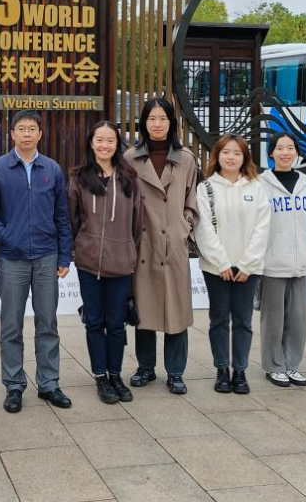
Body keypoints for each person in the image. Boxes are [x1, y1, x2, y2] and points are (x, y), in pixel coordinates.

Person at [0, 109, 73, 413]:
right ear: (12, 133)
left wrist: (64, 255)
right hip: (12, 258)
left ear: (40, 134)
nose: (26, 133)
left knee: (48, 323)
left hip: (47, 256)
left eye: (32, 128)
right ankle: (14, 385)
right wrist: (5, 235)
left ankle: (49, 383)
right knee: (11, 326)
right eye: (21, 128)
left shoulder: (52, 169)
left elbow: (62, 215)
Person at [125, 98, 198, 395]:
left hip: (173, 243)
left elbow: (192, 199)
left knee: (175, 309)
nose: (157, 124)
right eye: (152, 118)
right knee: (144, 309)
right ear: (144, 123)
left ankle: (176, 371)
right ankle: (145, 367)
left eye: (163, 118)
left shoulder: (186, 158)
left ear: (172, 123)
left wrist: (184, 226)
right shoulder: (131, 158)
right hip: (143, 242)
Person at [68, 120, 143, 404]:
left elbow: (137, 223)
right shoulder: (78, 177)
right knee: (94, 321)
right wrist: (81, 246)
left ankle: (116, 375)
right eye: (99, 139)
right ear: (91, 143)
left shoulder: (129, 179)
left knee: (116, 323)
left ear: (117, 144)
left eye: (110, 140)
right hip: (89, 264)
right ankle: (101, 376)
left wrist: (128, 250)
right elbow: (72, 218)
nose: (104, 145)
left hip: (121, 263)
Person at [194, 133, 271, 395]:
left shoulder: (256, 187)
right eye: (226, 152)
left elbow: (263, 228)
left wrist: (247, 264)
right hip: (216, 269)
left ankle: (240, 371)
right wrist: (222, 263)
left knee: (243, 320)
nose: (231, 157)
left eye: (237, 153)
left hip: (248, 269)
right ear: (217, 156)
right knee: (218, 319)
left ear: (245, 158)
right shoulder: (206, 188)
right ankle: (221, 370)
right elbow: (203, 228)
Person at [257, 132, 306, 387]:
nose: (285, 153)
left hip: (301, 262)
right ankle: (274, 366)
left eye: (290, 148)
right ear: (271, 153)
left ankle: (292, 365)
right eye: (279, 148)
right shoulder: (261, 184)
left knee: (298, 319)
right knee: (273, 320)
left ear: (297, 152)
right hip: (273, 262)